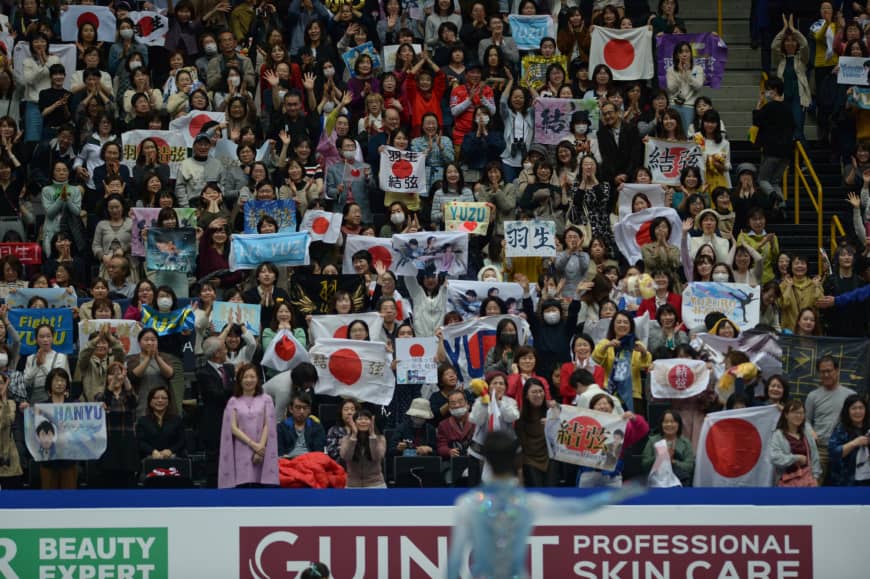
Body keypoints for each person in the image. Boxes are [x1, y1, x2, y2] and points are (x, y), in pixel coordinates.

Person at [446, 431, 642, 579]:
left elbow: (454, 563)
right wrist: (629, 490)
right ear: (517, 460)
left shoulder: (468, 504)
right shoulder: (528, 502)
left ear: (486, 459)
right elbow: (581, 506)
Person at [218, 363, 279, 488]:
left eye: (252, 377)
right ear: (239, 380)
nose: (249, 380)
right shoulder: (233, 401)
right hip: (241, 449)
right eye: (245, 377)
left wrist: (260, 449)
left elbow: (269, 425)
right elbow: (233, 428)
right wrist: (253, 445)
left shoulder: (266, 399)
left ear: (257, 379)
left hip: (262, 449)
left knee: (260, 489)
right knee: (243, 487)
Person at [577, 394, 649, 488]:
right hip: (588, 473)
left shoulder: (621, 426)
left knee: (614, 503)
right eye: (598, 404)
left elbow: (643, 430)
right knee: (585, 502)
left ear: (612, 407)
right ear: (592, 408)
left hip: (612, 475)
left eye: (606, 404)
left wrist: (634, 418)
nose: (602, 406)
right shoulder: (583, 425)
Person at [806, 356, 857, 483]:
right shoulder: (813, 396)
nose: (826, 374)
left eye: (829, 370)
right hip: (820, 450)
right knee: (814, 487)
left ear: (837, 371)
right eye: (823, 371)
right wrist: (810, 431)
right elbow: (805, 420)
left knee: (843, 490)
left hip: (845, 449)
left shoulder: (851, 395)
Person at [196, 336, 236, 487]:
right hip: (214, 421)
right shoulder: (203, 373)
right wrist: (234, 387)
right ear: (217, 353)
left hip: (233, 419)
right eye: (224, 348)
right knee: (215, 458)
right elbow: (216, 395)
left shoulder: (229, 368)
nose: (226, 351)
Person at [95, 361, 139, 488]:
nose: (115, 377)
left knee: (128, 483)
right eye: (111, 374)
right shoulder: (100, 395)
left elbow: (134, 402)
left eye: (119, 374)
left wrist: (126, 380)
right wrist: (112, 383)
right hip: (108, 445)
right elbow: (104, 401)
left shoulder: (128, 396)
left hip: (127, 444)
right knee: (109, 482)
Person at [770, 399, 821, 487]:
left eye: (801, 413)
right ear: (786, 415)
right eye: (794, 412)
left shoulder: (807, 434)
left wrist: (815, 477)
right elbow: (775, 457)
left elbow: (815, 456)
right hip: (787, 482)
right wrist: (796, 458)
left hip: (807, 482)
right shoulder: (778, 435)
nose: (798, 415)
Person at [641, 409, 695, 487]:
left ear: (679, 424)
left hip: (680, 483)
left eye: (673, 422)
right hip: (656, 484)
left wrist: (672, 461)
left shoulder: (686, 443)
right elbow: (644, 465)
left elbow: (689, 466)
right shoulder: (653, 441)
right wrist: (659, 458)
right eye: (666, 422)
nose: (669, 424)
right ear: (661, 424)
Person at [828, 395, 870, 486]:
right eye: (854, 408)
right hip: (846, 481)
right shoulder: (841, 429)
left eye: (861, 408)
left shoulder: (868, 427)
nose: (858, 411)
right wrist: (854, 443)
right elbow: (833, 454)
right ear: (847, 411)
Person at [340, 408, 387, 488]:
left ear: (371, 422)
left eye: (366, 419)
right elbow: (345, 456)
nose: (363, 421)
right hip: (352, 485)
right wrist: (354, 435)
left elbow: (378, 457)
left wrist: (372, 436)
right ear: (354, 422)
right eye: (360, 419)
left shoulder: (380, 438)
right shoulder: (346, 439)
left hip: (376, 484)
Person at [277, 391, 326, 459]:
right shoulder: (281, 427)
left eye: (305, 408)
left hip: (310, 462)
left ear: (309, 410)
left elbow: (318, 452)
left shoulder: (317, 427)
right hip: (288, 463)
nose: (302, 411)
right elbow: (279, 452)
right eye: (298, 407)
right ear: (291, 409)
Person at [0, 372, 22, 489]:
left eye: (1, 383)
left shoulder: (11, 404)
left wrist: (4, 401)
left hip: (8, 455)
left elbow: (6, 422)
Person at [326, 399, 361, 469]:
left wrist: (344, 444)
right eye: (346, 409)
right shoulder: (334, 430)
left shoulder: (363, 429)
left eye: (352, 409)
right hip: (340, 468)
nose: (349, 412)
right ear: (341, 413)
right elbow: (332, 452)